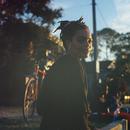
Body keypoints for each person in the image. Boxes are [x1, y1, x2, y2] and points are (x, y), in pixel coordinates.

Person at [37, 17, 93, 130]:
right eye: (81, 40)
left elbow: (41, 107)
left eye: (89, 40)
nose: (87, 44)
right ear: (68, 42)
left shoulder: (58, 65)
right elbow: (79, 111)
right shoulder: (74, 66)